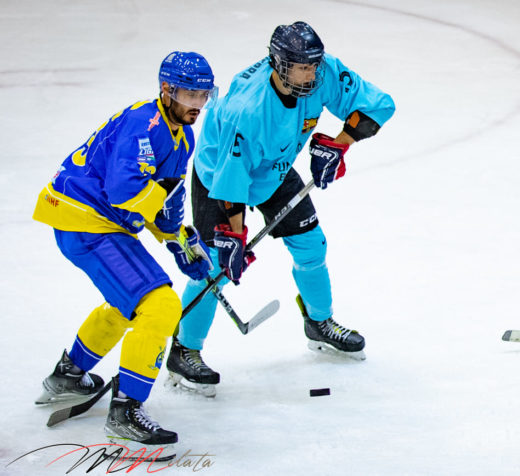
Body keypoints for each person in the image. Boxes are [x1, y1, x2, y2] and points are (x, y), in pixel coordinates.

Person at [167, 21, 395, 396]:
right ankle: (184, 350)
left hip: (273, 168)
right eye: (302, 67)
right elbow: (232, 183)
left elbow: (378, 105)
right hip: (220, 176)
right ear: (278, 64)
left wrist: (339, 144)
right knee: (214, 266)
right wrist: (235, 235)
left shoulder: (321, 71)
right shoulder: (248, 110)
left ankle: (319, 324)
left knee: (312, 245)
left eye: (314, 66)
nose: (311, 74)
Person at [32, 52, 216, 453]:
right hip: (85, 222)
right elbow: (125, 191)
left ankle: (68, 376)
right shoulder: (143, 124)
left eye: (204, 96)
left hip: (95, 222)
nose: (197, 105)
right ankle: (125, 410)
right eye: (189, 94)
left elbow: (164, 198)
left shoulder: (180, 132)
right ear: (166, 90)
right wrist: (163, 212)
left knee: (129, 305)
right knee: (160, 305)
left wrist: (180, 238)